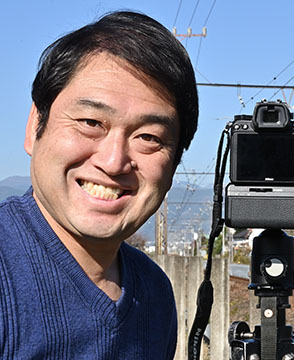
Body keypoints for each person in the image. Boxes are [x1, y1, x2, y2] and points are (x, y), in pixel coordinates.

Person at [0, 10, 198, 359]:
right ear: (35, 127)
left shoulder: (154, 293)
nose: (113, 161)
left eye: (149, 137)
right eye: (91, 122)